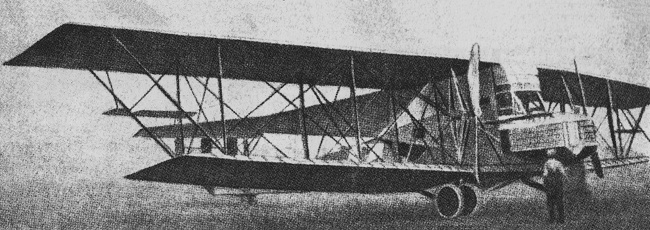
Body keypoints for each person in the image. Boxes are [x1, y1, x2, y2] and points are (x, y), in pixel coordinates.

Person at [543, 149, 567, 224]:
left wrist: (545, 182)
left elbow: (545, 174)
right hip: (558, 183)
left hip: (550, 184)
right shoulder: (558, 163)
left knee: (550, 203)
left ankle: (552, 219)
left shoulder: (546, 164)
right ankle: (561, 219)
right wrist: (566, 179)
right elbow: (563, 173)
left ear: (548, 155)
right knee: (559, 202)